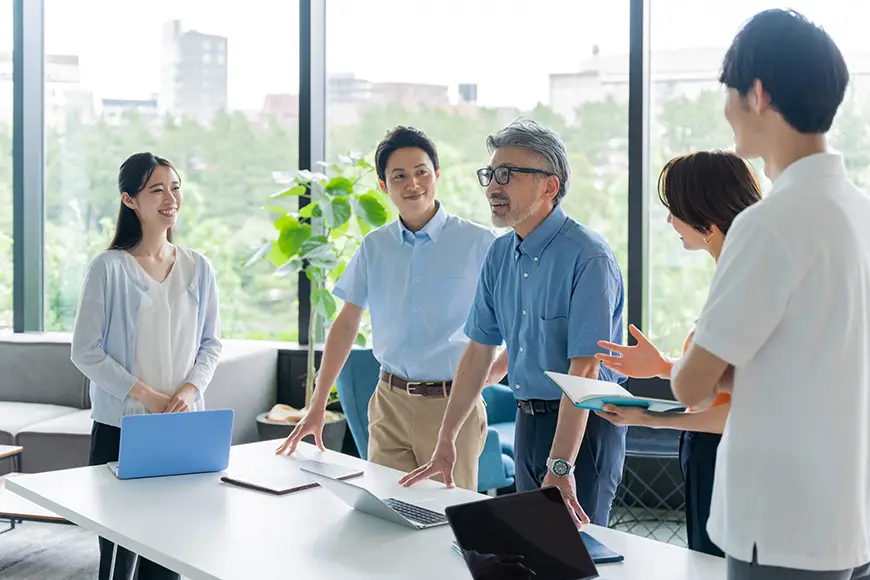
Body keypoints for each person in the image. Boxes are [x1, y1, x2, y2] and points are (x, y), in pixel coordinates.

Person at [668, 9, 870, 580]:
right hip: (847, 521)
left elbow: (692, 386)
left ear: (757, 94)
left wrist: (706, 363)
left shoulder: (768, 223)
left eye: (729, 93)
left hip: (778, 525)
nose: (727, 110)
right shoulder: (859, 212)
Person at [400, 119, 626, 528]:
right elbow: (479, 351)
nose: (491, 187)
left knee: (578, 556)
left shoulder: (588, 257)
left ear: (549, 186)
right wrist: (447, 438)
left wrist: (560, 466)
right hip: (528, 421)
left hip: (585, 429)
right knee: (532, 551)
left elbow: (586, 370)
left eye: (507, 175)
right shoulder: (500, 254)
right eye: (489, 175)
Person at [275, 126, 505, 492]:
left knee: (449, 522)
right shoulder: (375, 247)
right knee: (386, 517)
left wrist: (490, 374)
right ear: (384, 186)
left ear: (437, 175)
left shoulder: (478, 242)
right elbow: (346, 322)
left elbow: (517, 322)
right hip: (389, 404)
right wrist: (317, 403)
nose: (412, 183)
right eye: (399, 176)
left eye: (421, 172)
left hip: (451, 408)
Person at [592, 150, 761, 557]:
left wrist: (647, 418)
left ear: (705, 216)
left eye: (674, 209)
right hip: (709, 453)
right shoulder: (736, 274)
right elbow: (730, 380)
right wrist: (664, 366)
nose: (669, 221)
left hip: (729, 459)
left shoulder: (747, 286)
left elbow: (747, 410)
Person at [70, 152, 222, 580]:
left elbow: (212, 343)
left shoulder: (198, 267)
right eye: (156, 189)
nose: (170, 197)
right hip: (123, 430)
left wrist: (190, 390)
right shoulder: (107, 268)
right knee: (118, 558)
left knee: (171, 552)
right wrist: (147, 396)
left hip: (181, 427)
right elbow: (85, 351)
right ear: (130, 200)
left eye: (175, 187)